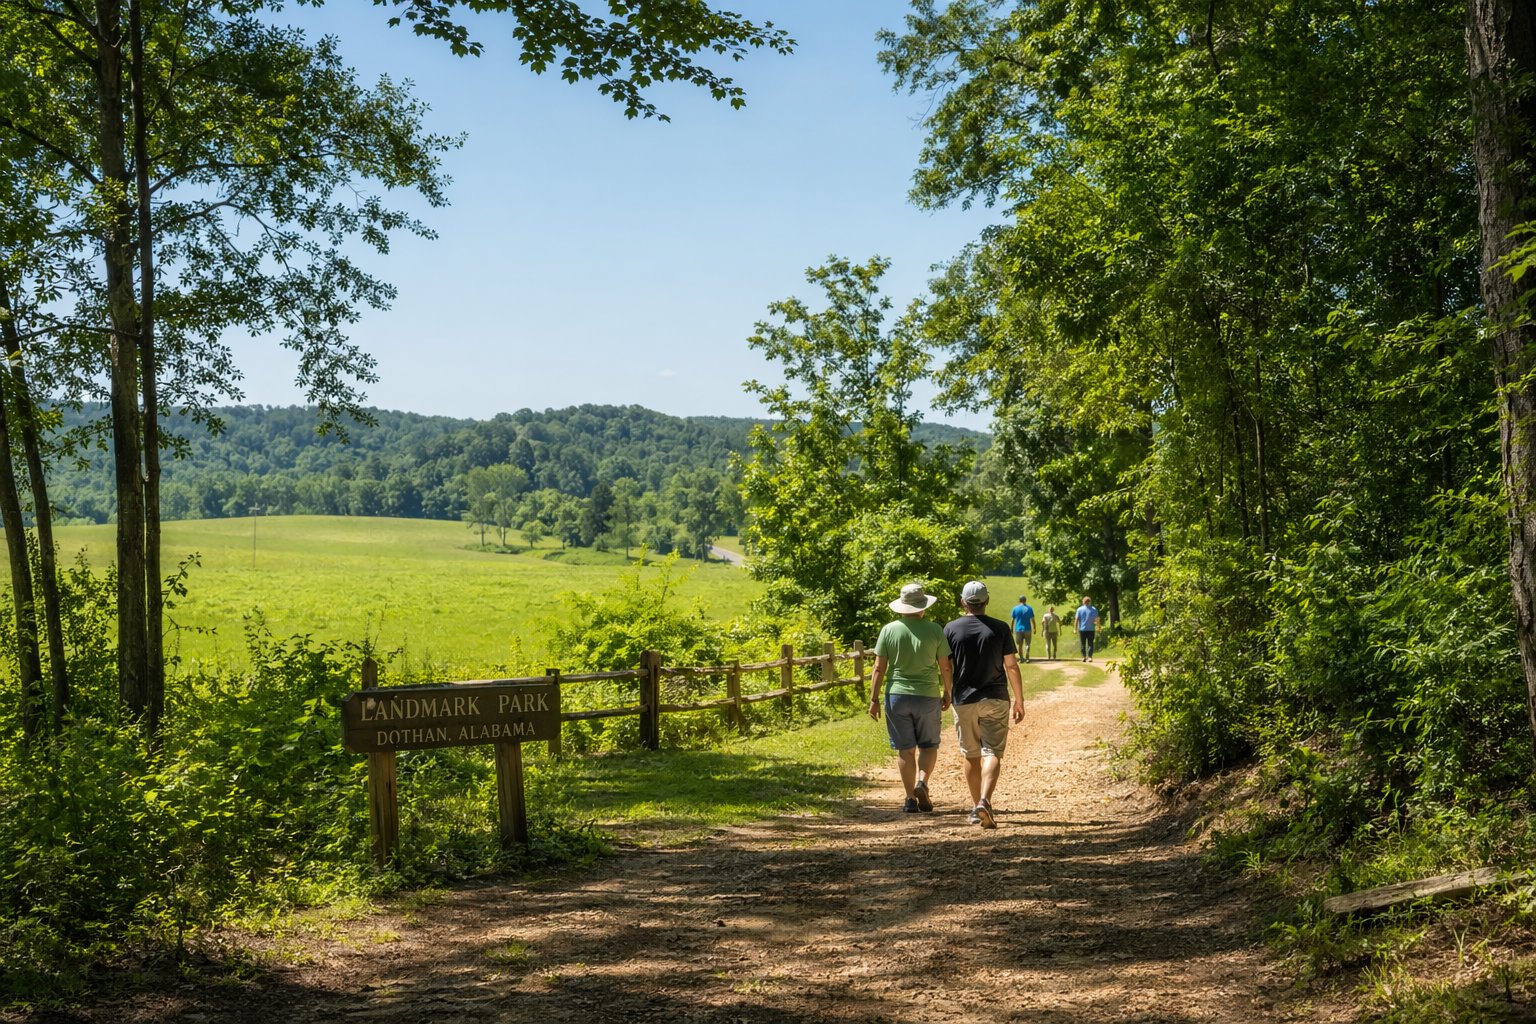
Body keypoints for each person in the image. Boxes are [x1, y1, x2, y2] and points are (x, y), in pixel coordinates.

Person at [944, 581, 1026, 828]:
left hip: (964, 699)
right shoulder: (1000, 629)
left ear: (963, 602)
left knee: (971, 755)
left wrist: (948, 693)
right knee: (992, 752)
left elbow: (947, 666)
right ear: (986, 601)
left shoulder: (950, 629)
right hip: (995, 697)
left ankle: (974, 808)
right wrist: (1019, 700)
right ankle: (984, 801)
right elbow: (1011, 665)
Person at [869, 583, 953, 813]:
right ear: (922, 606)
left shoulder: (889, 630)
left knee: (905, 750)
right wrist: (948, 692)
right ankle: (922, 782)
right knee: (928, 745)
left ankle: (909, 799)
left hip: (896, 694)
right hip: (927, 695)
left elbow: (878, 668)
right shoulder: (935, 630)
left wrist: (874, 699)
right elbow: (945, 666)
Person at [1010, 594, 1035, 662]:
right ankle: (1027, 657)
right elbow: (1032, 619)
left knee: (1019, 645)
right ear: (1025, 600)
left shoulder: (1015, 608)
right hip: (1028, 629)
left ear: (1019, 600)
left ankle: (1021, 659)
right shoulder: (1029, 608)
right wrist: (1034, 628)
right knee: (1027, 643)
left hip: (1018, 629)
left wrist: (1011, 628)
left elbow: (1013, 620)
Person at [1075, 596, 1101, 661]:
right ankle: (1089, 657)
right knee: (1090, 643)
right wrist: (1099, 627)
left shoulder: (1079, 609)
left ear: (1083, 602)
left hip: (1082, 629)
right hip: (1091, 629)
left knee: (1083, 643)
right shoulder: (1094, 609)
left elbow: (1076, 620)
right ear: (1090, 601)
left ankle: (1084, 657)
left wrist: (1075, 629)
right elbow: (1097, 619)